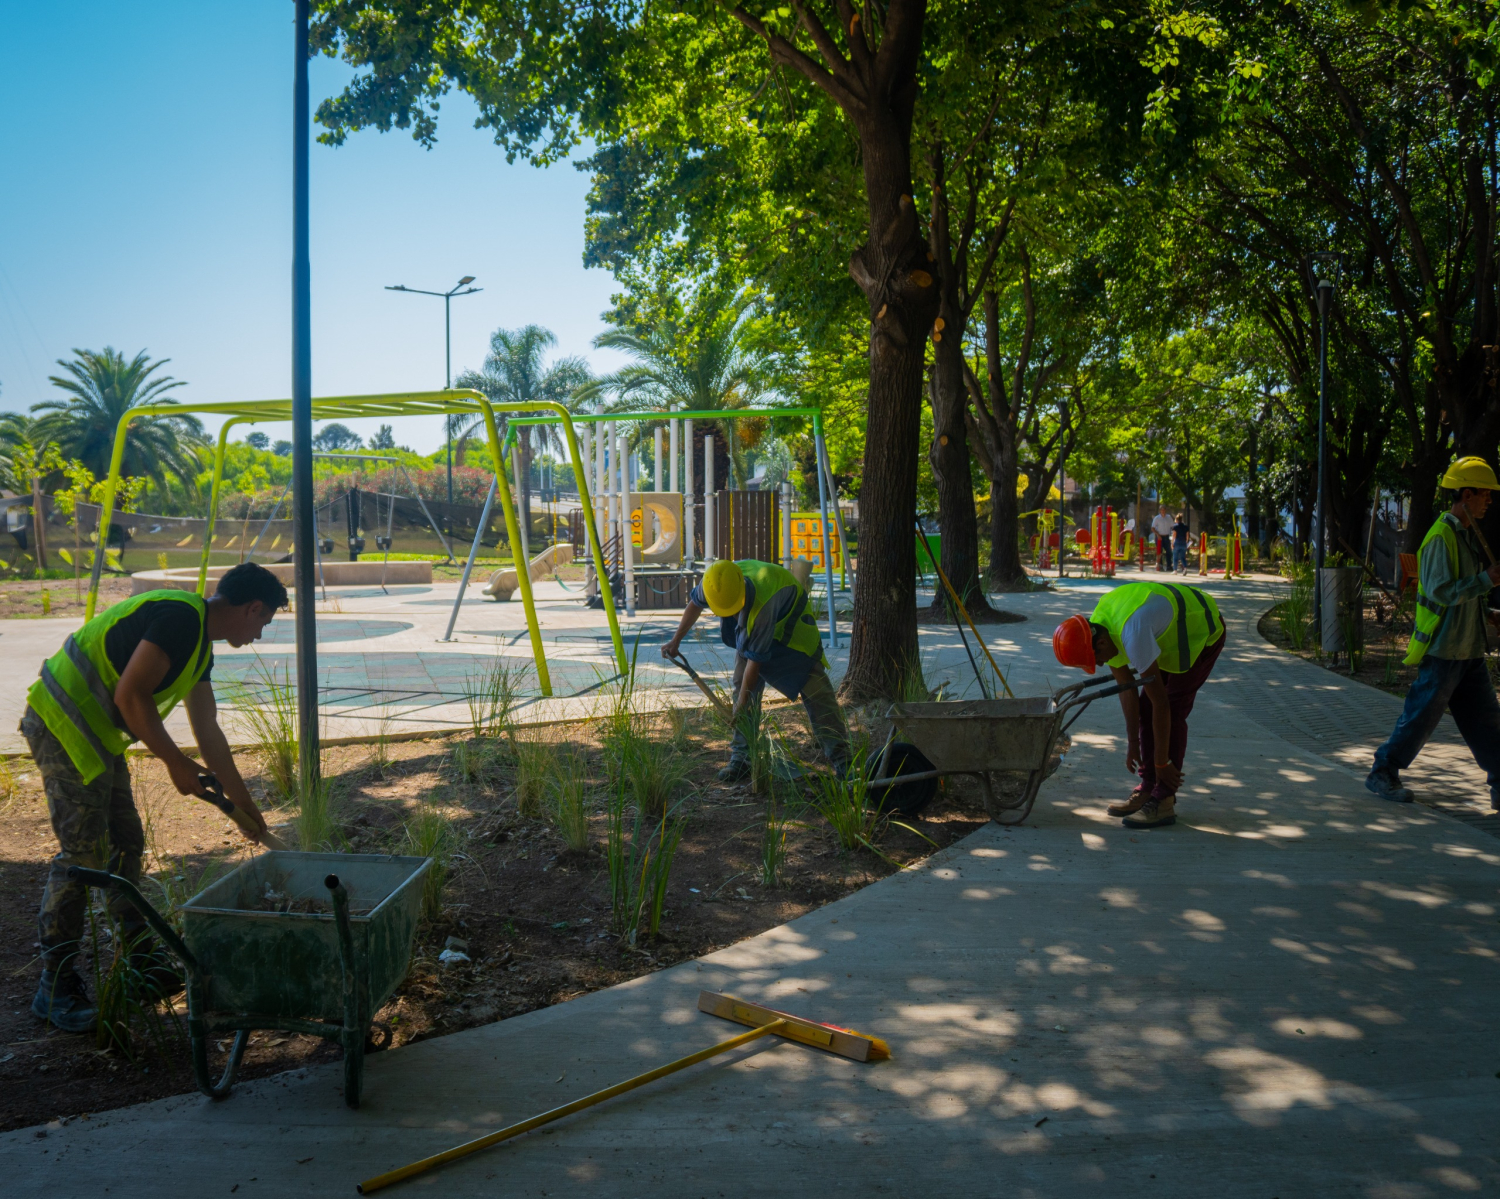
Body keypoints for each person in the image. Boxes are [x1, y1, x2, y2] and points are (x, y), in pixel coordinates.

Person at [26, 563, 286, 1033]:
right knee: (83, 855)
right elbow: (131, 696)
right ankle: (54, 985)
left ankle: (140, 961)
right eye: (264, 622)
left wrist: (244, 804)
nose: (259, 634)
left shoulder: (199, 647)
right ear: (252, 608)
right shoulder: (179, 617)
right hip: (62, 724)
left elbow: (208, 730)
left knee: (126, 843)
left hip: (98, 736)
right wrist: (175, 763)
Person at [1367, 457, 1500, 809]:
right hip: (1444, 648)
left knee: (1487, 724)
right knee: (1420, 717)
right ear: (1467, 495)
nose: (1489, 501)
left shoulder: (1464, 535)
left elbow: (1462, 592)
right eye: (1485, 494)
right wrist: (1486, 580)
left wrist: (1487, 614)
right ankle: (1383, 771)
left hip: (1467, 649)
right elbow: (1442, 591)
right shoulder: (1442, 537)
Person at [1052, 579, 1226, 828]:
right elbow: (1127, 689)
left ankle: (1163, 799)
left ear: (1101, 643)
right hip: (1167, 630)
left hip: (1199, 627)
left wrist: (1162, 761)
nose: (1100, 665)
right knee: (1146, 706)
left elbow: (1161, 704)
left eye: (1096, 659)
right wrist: (1133, 743)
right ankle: (1149, 786)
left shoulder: (1132, 634)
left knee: (1173, 707)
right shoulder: (1100, 628)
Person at [661, 558, 850, 781]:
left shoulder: (763, 605)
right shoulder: (714, 582)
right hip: (754, 623)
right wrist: (675, 641)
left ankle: (844, 762)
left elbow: (755, 662)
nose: (731, 615)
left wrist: (740, 706)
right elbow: (695, 604)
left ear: (741, 590)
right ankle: (742, 759)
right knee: (742, 685)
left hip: (792, 634)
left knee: (817, 692)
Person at [1150, 506, 1174, 572]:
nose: (1163, 511)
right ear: (1160, 510)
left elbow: (1172, 526)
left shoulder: (1169, 517)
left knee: (1169, 551)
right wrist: (1157, 534)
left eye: (1164, 510)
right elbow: (1152, 528)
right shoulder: (1157, 518)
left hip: (1166, 536)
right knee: (1159, 551)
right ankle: (1160, 565)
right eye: (1162, 510)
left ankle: (1169, 565)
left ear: (1165, 510)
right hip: (1159, 537)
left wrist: (1174, 534)